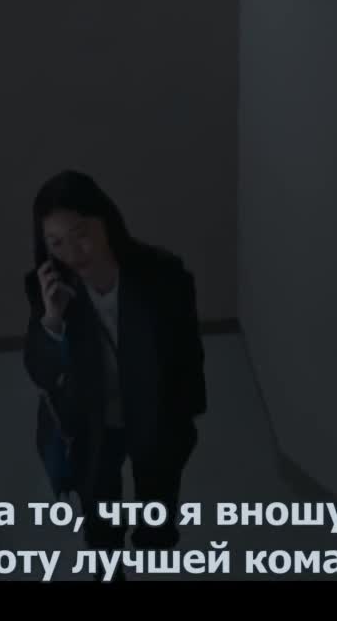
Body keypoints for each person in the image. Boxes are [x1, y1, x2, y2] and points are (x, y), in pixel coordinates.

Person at [22, 170, 205, 581]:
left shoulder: (161, 274)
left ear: (106, 220)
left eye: (80, 233)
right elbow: (40, 371)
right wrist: (52, 321)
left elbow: (188, 352)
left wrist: (186, 418)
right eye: (56, 242)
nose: (72, 251)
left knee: (157, 504)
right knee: (99, 508)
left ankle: (153, 547)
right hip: (90, 418)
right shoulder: (46, 288)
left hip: (153, 412)